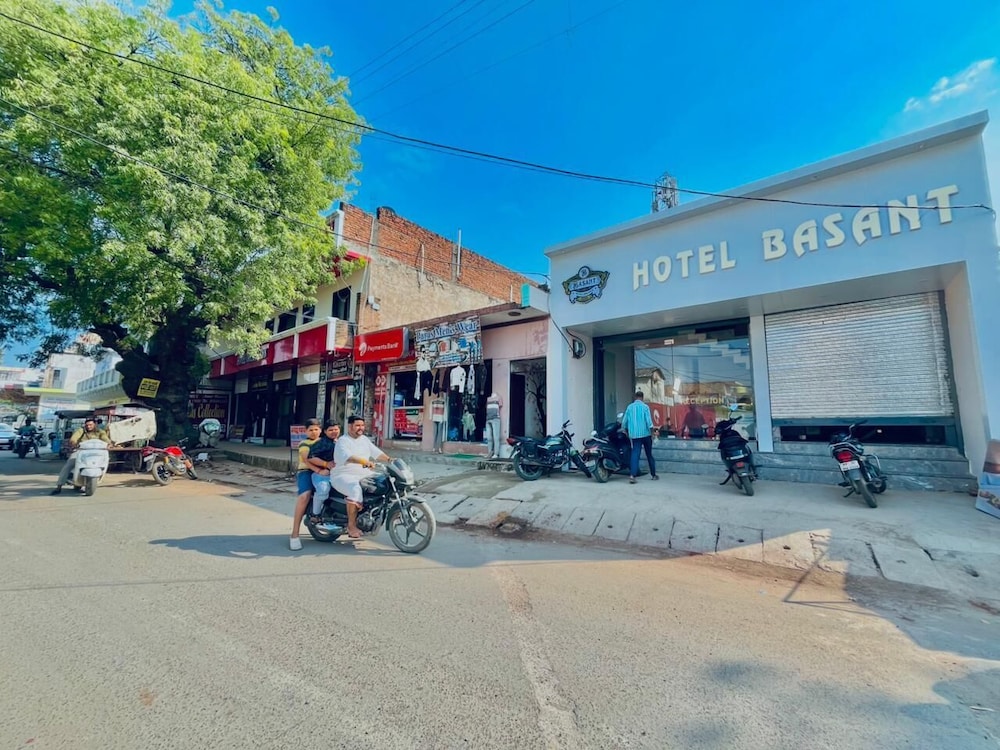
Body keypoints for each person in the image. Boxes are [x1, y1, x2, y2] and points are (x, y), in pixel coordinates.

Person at [331, 415, 390, 539]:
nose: (361, 428)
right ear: (350, 426)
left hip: (363, 473)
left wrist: (390, 459)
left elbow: (376, 453)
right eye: (357, 425)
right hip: (343, 475)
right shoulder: (343, 441)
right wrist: (364, 461)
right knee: (355, 489)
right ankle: (351, 526)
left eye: (362, 425)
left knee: (384, 481)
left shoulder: (364, 439)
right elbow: (349, 457)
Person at [51, 416, 111, 495]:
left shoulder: (100, 431)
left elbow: (106, 439)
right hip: (81, 452)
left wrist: (109, 444)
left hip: (96, 453)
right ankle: (59, 486)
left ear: (95, 424)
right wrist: (74, 443)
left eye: (90, 425)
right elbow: (73, 439)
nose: (88, 427)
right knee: (68, 465)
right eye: (87, 425)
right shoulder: (81, 430)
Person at [288, 419, 322, 551]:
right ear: (306, 431)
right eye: (311, 430)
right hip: (306, 471)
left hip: (325, 472)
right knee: (304, 496)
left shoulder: (325, 442)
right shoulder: (304, 443)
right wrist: (319, 470)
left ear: (320, 430)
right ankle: (294, 534)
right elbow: (307, 460)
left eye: (316, 429)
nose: (314, 432)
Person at [622, 390, 659, 484]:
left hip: (634, 435)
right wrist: (652, 433)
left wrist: (626, 431)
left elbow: (624, 422)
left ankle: (632, 476)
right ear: (642, 398)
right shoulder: (645, 407)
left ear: (635, 397)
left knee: (635, 454)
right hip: (646, 434)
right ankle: (653, 475)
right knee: (649, 454)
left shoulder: (629, 407)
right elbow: (649, 422)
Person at [307, 420, 341, 515]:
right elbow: (311, 457)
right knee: (323, 490)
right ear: (325, 431)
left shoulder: (340, 442)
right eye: (331, 430)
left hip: (337, 473)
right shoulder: (322, 443)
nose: (334, 432)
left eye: (336, 429)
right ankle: (315, 514)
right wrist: (326, 464)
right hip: (323, 474)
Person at [485, 392, 502, 459]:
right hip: (488, 418)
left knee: (496, 437)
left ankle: (496, 453)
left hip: (496, 418)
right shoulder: (488, 399)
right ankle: (490, 452)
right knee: (489, 437)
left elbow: (500, 406)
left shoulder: (499, 398)